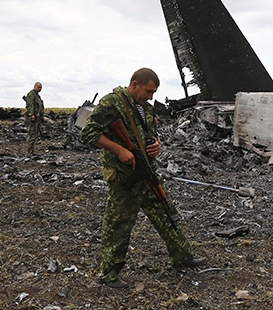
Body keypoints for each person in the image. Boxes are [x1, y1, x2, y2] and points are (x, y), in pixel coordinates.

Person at [80, 68, 204, 289]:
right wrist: (118, 150)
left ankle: (182, 257)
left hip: (146, 171)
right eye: (148, 91)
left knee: (166, 213)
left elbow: (146, 134)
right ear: (134, 84)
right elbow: (87, 133)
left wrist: (155, 144)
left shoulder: (145, 107)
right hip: (124, 176)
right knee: (118, 225)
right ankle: (108, 274)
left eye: (154, 92)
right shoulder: (112, 103)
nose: (151, 96)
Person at [24, 82, 44, 155]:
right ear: (35, 86)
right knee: (32, 134)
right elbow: (30, 105)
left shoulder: (37, 95)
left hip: (37, 117)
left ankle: (31, 151)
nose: (40, 89)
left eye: (41, 88)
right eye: (38, 87)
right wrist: (32, 115)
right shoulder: (31, 94)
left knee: (35, 134)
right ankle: (29, 152)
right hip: (32, 118)